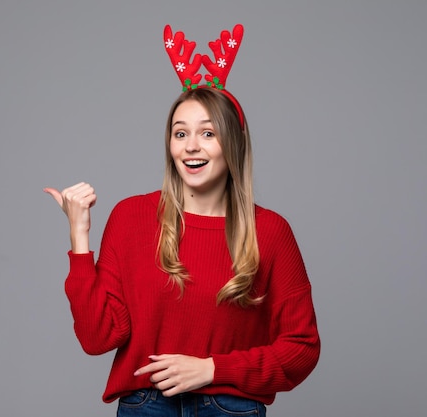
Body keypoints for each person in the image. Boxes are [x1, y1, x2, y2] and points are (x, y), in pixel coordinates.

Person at [44, 25, 320, 417]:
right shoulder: (131, 217)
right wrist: (80, 235)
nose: (191, 145)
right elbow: (97, 337)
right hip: (145, 405)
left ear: (233, 144)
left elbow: (302, 347)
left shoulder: (271, 232)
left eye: (208, 133)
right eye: (180, 133)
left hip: (230, 407)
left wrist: (212, 369)